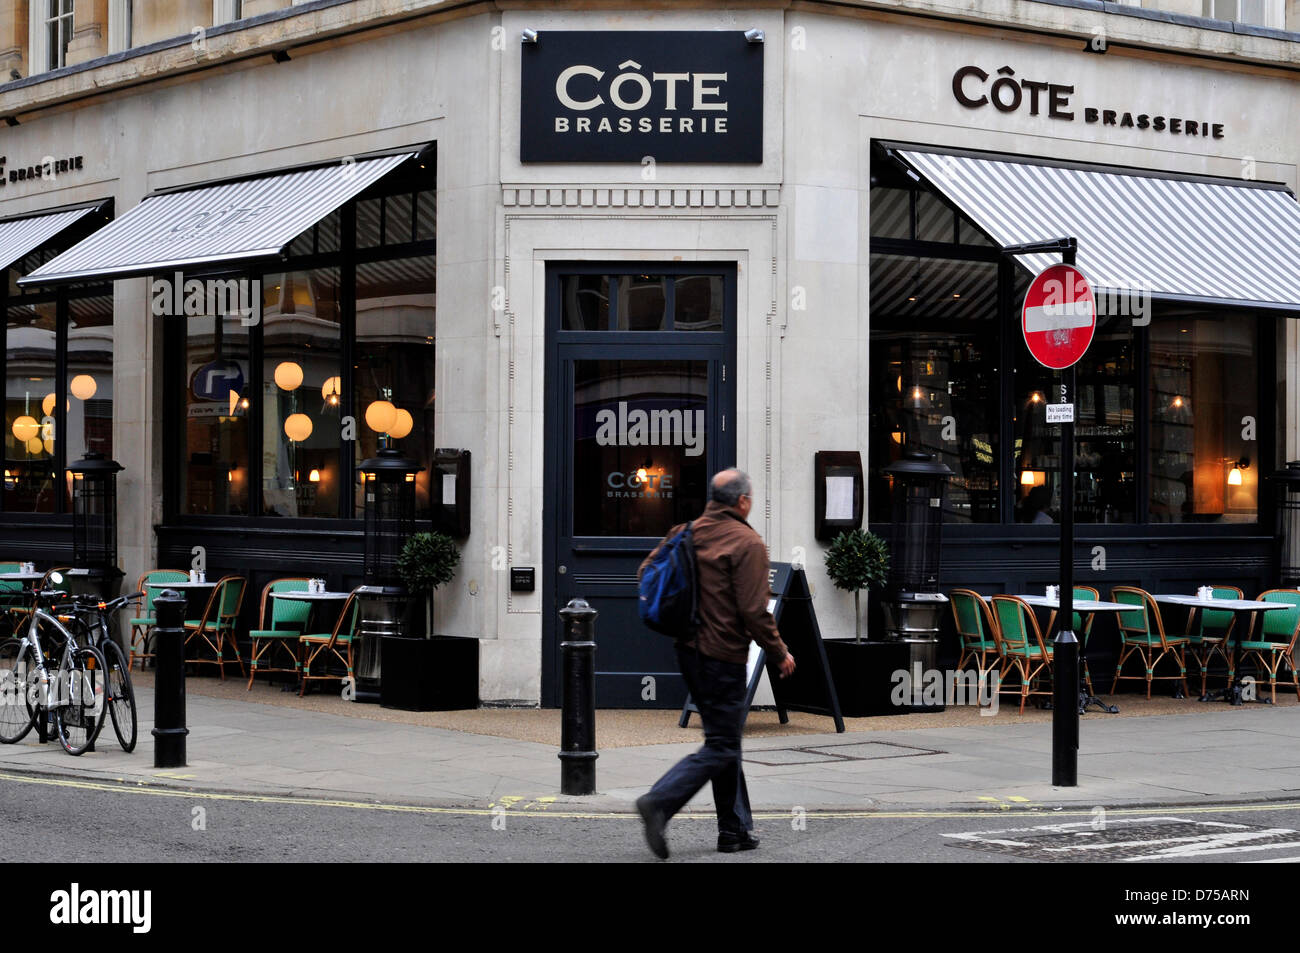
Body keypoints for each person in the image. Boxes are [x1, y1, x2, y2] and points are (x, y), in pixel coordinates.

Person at [634, 468, 796, 858]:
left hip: (687, 651)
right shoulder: (747, 542)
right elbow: (755, 611)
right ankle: (659, 801)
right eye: (751, 497)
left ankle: (734, 831)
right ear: (742, 501)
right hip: (722, 656)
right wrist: (780, 652)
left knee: (724, 740)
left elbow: (644, 574)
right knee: (722, 744)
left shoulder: (685, 531)